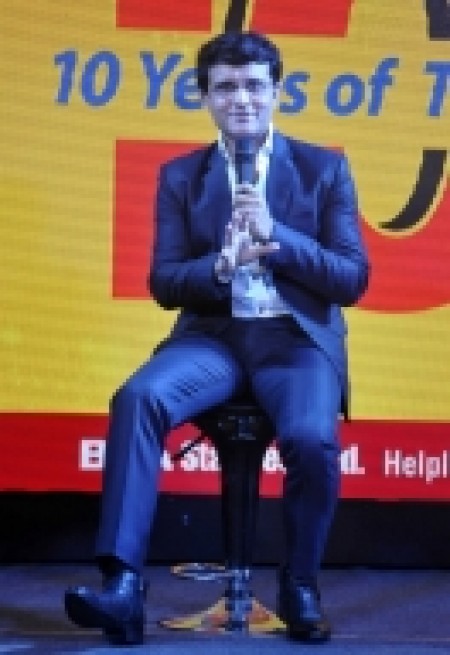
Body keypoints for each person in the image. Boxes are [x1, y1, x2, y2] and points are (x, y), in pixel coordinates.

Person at [64, 31, 370, 645]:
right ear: (205, 98)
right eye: (225, 88)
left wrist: (278, 238)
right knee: (138, 398)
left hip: (295, 342)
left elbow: (351, 278)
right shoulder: (181, 176)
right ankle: (123, 586)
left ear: (277, 92)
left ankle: (300, 584)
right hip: (214, 338)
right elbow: (164, 282)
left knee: (311, 438)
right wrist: (222, 267)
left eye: (254, 86)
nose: (242, 100)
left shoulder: (324, 169)